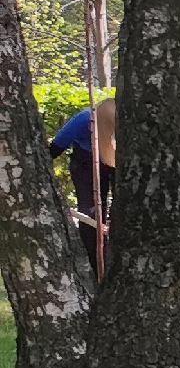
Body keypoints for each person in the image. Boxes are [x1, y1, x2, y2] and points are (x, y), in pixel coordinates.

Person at [53, 97, 117, 269]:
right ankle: (95, 263)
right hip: (84, 164)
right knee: (92, 212)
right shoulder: (82, 119)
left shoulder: (123, 121)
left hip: (112, 162)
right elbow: (55, 148)